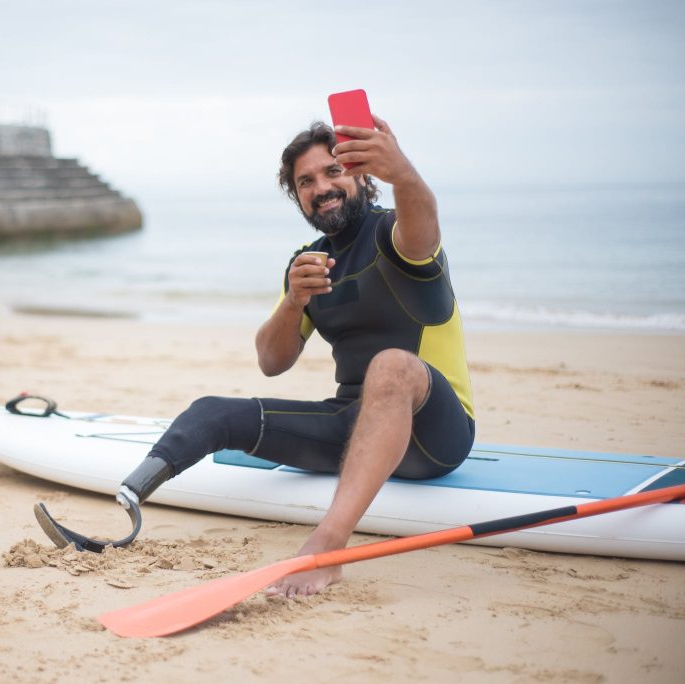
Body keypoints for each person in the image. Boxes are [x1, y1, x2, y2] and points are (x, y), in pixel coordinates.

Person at [39, 115, 475, 598]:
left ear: (362, 175)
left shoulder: (398, 237)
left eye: (333, 172)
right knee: (212, 412)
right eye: (305, 182)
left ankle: (327, 548)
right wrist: (293, 301)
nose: (321, 188)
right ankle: (127, 500)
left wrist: (405, 173)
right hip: (352, 428)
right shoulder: (308, 262)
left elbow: (423, 220)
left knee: (391, 365)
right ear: (297, 198)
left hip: (434, 432)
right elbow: (272, 360)